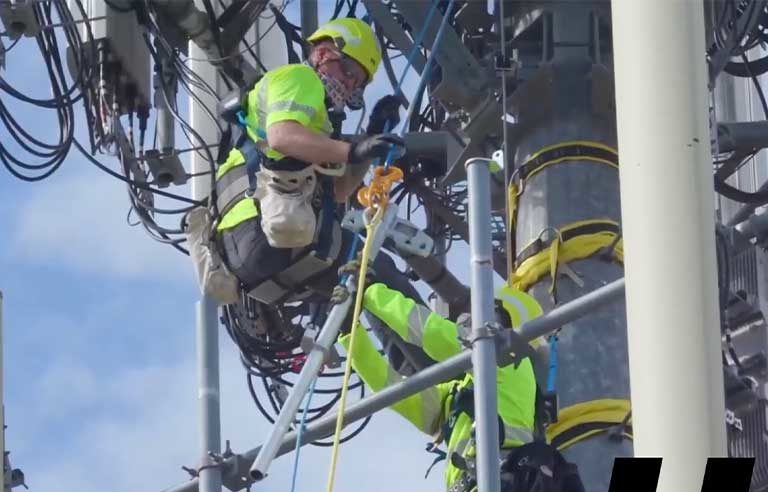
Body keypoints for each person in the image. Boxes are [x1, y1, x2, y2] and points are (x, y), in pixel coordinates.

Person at [213, 18, 417, 305]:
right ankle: (442, 349)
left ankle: (397, 350)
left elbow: (339, 191)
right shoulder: (299, 77)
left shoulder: (317, 129)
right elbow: (282, 136)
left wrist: (371, 138)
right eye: (347, 71)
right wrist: (352, 151)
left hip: (263, 252)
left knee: (356, 309)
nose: (347, 84)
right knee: (385, 281)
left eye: (356, 83)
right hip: (264, 231)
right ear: (322, 54)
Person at [340, 282, 586, 492]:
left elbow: (432, 334)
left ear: (500, 320)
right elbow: (389, 388)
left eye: (475, 316)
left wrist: (371, 292)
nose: (467, 322)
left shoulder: (510, 362)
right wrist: (350, 333)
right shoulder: (459, 394)